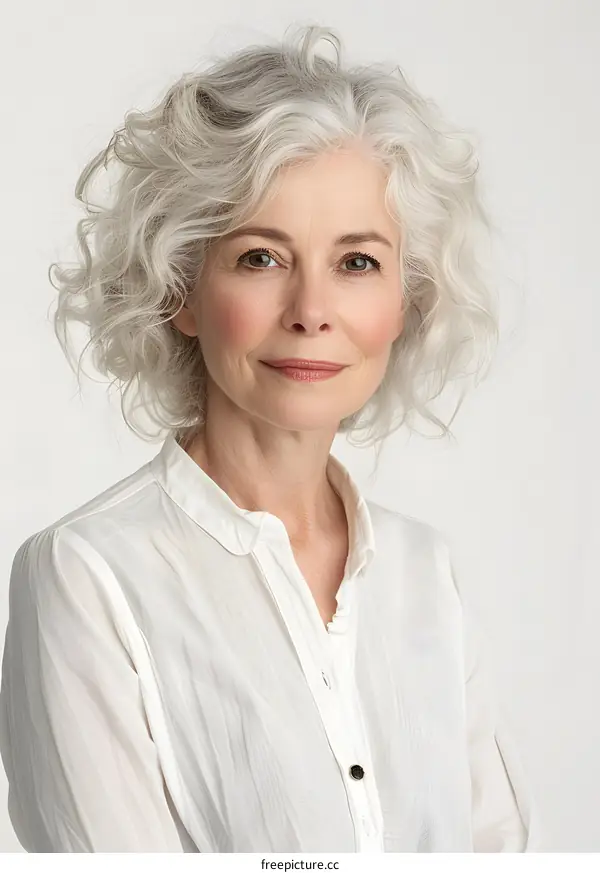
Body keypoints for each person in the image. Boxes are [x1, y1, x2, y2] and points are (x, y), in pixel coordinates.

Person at [0, 24, 541, 853]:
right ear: (179, 288)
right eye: (260, 257)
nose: (311, 309)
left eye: (357, 262)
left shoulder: (426, 573)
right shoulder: (86, 576)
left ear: (407, 299)